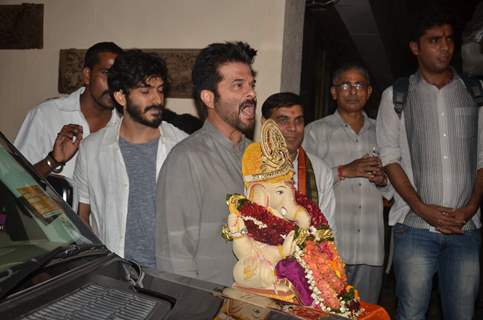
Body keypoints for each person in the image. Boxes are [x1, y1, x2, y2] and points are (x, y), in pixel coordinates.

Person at [376, 10, 481, 320]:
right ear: (415, 47)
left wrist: (470, 208)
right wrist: (423, 208)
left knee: (462, 315)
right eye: (434, 41)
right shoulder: (396, 95)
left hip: (466, 229)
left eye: (449, 39)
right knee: (411, 314)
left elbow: (482, 159)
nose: (444, 47)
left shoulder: (475, 93)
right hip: (415, 228)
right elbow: (389, 158)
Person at [155, 41, 257, 286]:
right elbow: (174, 256)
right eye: (238, 85)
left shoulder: (256, 156)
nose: (251, 93)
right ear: (209, 98)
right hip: (209, 305)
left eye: (252, 85)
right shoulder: (187, 159)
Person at [73, 50, 187, 267]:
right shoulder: (92, 149)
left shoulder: (182, 147)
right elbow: (83, 216)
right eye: (145, 91)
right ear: (121, 97)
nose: (157, 99)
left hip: (170, 274)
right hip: (113, 273)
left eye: (160, 90)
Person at [303, 64, 391, 304]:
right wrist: (344, 170)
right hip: (331, 247)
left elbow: (393, 188)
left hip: (370, 247)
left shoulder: (383, 132)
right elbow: (306, 185)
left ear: (369, 91)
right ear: (334, 92)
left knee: (365, 312)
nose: (352, 91)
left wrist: (384, 181)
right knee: (326, 313)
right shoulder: (315, 132)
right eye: (345, 85)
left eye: (359, 85)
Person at [15, 42, 123, 178]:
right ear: (87, 75)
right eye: (106, 73)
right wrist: (53, 160)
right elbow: (15, 179)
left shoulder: (125, 125)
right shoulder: (46, 115)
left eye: (119, 77)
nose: (114, 84)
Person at [261, 92, 336, 232]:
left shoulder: (319, 170)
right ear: (265, 124)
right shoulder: (250, 166)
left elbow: (327, 230)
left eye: (298, 121)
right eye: (283, 120)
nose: (293, 128)